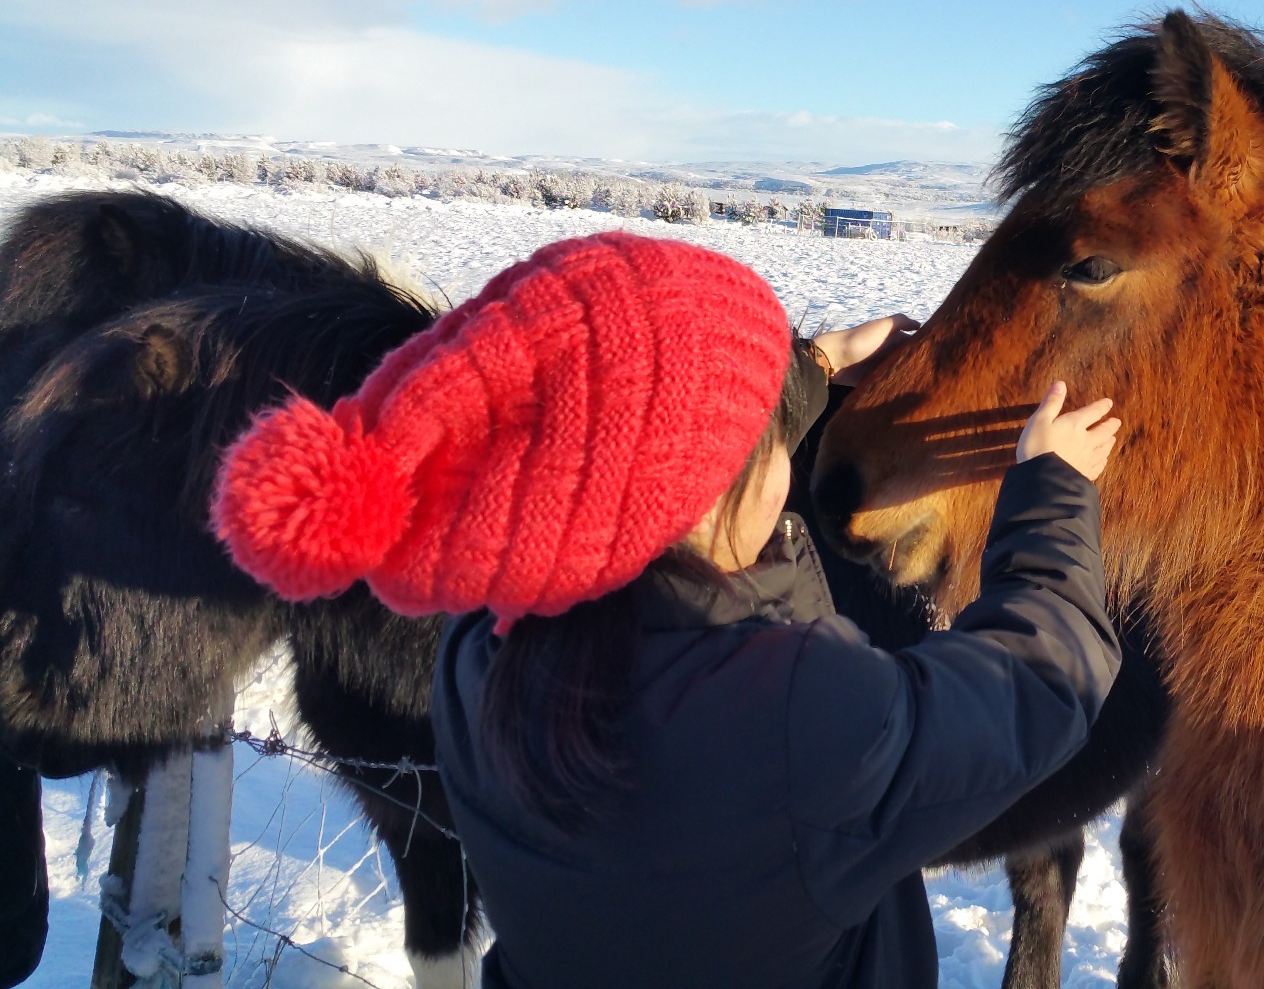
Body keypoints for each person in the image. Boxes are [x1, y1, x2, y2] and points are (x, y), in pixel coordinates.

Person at [210, 231, 1123, 989]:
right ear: (709, 495)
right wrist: (1048, 492)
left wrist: (808, 366)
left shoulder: (483, 655)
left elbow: (635, 436)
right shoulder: (808, 718)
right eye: (771, 446)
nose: (786, 466)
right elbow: (1045, 681)